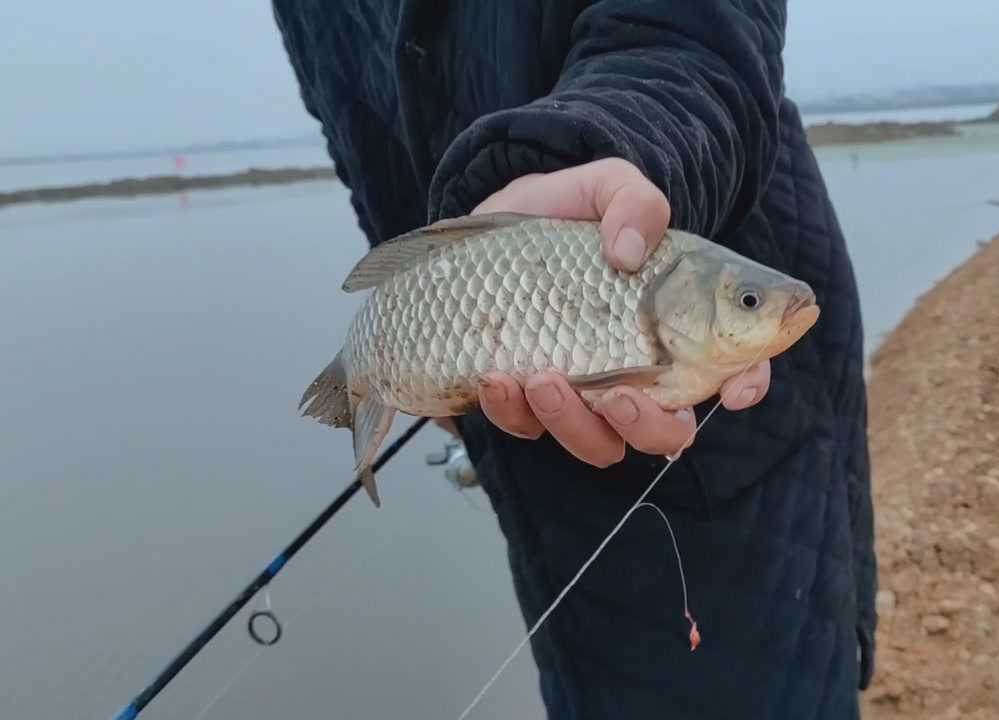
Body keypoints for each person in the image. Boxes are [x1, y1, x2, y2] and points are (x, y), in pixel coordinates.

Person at [272, 2, 877, 718]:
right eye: (751, 304)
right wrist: (432, 355)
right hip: (514, 421)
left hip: (740, 421)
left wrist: (616, 150)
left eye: (747, 304)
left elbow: (695, 28)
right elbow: (364, 147)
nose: (763, 310)